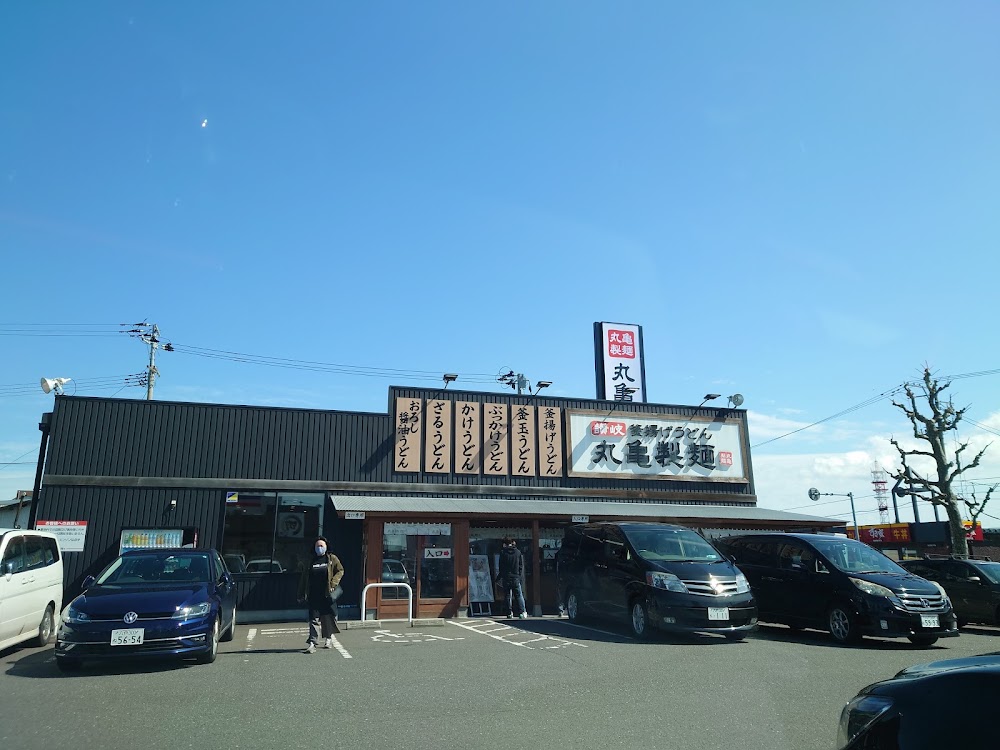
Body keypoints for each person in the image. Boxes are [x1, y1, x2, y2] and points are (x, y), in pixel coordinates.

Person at [297, 536, 345, 654]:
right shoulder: (310, 561)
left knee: (328, 617)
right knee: (313, 619)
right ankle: (312, 642)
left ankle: (328, 639)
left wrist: (334, 582)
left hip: (327, 594)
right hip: (313, 594)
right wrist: (300, 593)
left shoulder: (331, 559)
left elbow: (340, 570)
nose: (319, 548)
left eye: (321, 546)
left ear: (326, 547)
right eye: (317, 546)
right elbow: (304, 578)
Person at [496, 537, 527, 619]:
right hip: (516, 577)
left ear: (504, 544)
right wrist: (519, 575)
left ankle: (509, 613)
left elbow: (501, 567)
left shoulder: (503, 553)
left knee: (507, 596)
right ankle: (522, 612)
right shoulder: (518, 552)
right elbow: (521, 566)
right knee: (519, 595)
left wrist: (499, 578)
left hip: (506, 577)